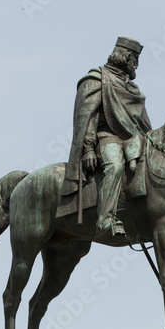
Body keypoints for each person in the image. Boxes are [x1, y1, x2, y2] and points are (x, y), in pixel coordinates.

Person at [62, 37, 152, 241]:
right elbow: (87, 118)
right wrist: (88, 149)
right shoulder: (97, 79)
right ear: (126, 57)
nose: (137, 65)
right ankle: (105, 220)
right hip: (107, 138)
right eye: (135, 59)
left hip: (135, 140)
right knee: (115, 166)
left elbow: (141, 124)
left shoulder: (132, 89)